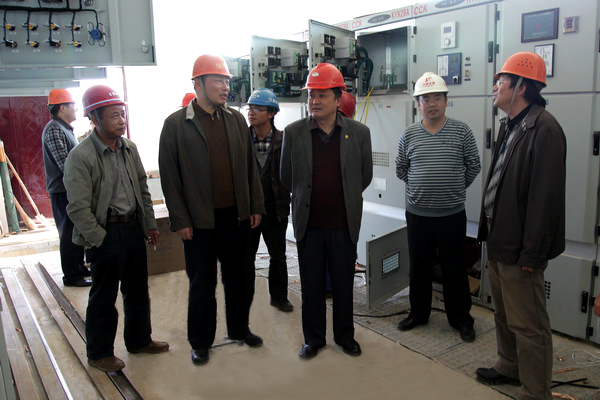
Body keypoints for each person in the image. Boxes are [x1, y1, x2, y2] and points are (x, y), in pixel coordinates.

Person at [159, 54, 265, 366]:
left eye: (227, 81)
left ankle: (239, 328)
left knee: (238, 278)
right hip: (198, 221)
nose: (225, 87)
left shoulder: (235, 120)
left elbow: (250, 168)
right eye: (218, 81)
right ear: (198, 83)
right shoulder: (176, 125)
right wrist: (180, 219)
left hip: (235, 216)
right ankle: (201, 342)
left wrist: (254, 205)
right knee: (202, 284)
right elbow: (170, 177)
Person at [475, 52, 566, 400]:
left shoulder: (545, 128)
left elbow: (545, 198)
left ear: (522, 87)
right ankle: (509, 365)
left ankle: (535, 391)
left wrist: (532, 252)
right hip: (499, 237)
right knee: (504, 313)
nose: (495, 86)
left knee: (529, 324)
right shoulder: (512, 124)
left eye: (502, 81)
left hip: (520, 248)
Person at [63, 85, 169, 372]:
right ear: (95, 118)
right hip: (105, 233)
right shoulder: (81, 157)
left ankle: (139, 340)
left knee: (137, 291)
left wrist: (149, 225)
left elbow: (142, 190)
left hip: (133, 228)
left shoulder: (129, 149)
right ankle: (99, 354)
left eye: (122, 114)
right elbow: (77, 208)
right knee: (104, 296)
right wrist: (99, 238)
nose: (121, 121)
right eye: (114, 115)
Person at [280, 63, 373, 360]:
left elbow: (364, 176)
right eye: (311, 95)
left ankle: (345, 336)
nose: (315, 101)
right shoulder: (294, 132)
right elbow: (286, 176)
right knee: (312, 286)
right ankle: (314, 339)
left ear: (337, 98)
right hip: (309, 224)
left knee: (344, 285)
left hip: (343, 224)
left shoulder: (358, 133)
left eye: (322, 95)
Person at [395, 72, 481, 343]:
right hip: (418, 215)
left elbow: (474, 165)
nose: (432, 104)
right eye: (425, 99)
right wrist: (422, 189)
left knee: (454, 269)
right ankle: (418, 314)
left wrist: (453, 188)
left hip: (451, 215)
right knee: (419, 267)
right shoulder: (409, 134)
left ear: (446, 101)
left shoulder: (461, 131)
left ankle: (461, 319)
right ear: (418, 104)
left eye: (437, 98)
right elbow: (401, 169)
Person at [244, 88, 293, 313]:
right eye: (250, 108)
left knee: (278, 255)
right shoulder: (241, 140)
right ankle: (244, 299)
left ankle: (279, 297)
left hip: (275, 207)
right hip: (248, 209)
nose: (251, 112)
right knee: (245, 257)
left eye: (257, 108)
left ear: (271, 113)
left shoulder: (284, 141)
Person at [41, 89, 90, 287]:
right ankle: (72, 276)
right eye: (73, 106)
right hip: (63, 191)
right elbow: (65, 164)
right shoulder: (54, 129)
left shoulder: (64, 129)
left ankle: (79, 267)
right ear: (62, 108)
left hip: (70, 189)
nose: (76, 109)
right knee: (68, 233)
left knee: (76, 230)